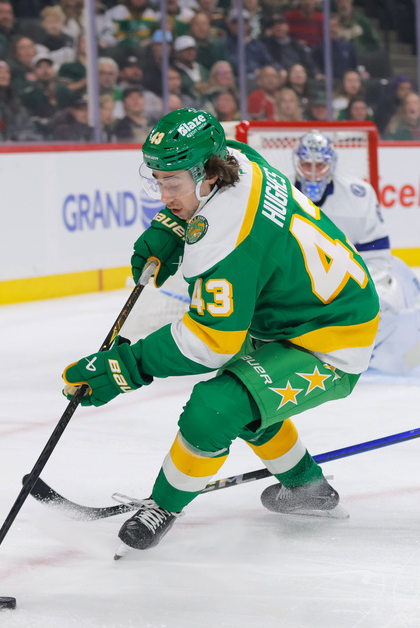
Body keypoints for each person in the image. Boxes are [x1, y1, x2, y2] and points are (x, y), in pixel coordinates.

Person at [62, 109, 379, 556]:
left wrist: (126, 367)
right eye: (158, 180)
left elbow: (211, 342)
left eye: (173, 183)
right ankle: (309, 488)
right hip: (299, 311)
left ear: (208, 174)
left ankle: (164, 506)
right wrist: (170, 225)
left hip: (333, 338)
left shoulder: (225, 242)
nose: (163, 193)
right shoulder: (238, 160)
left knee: (218, 406)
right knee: (248, 396)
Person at [292, 131, 420, 374]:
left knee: (387, 300)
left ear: (331, 164)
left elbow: (377, 254)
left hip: (351, 274)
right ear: (296, 162)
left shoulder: (357, 194)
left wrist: (370, 288)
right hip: (299, 279)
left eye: (319, 164)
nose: (312, 171)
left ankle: (377, 344)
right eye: (306, 164)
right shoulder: (281, 192)